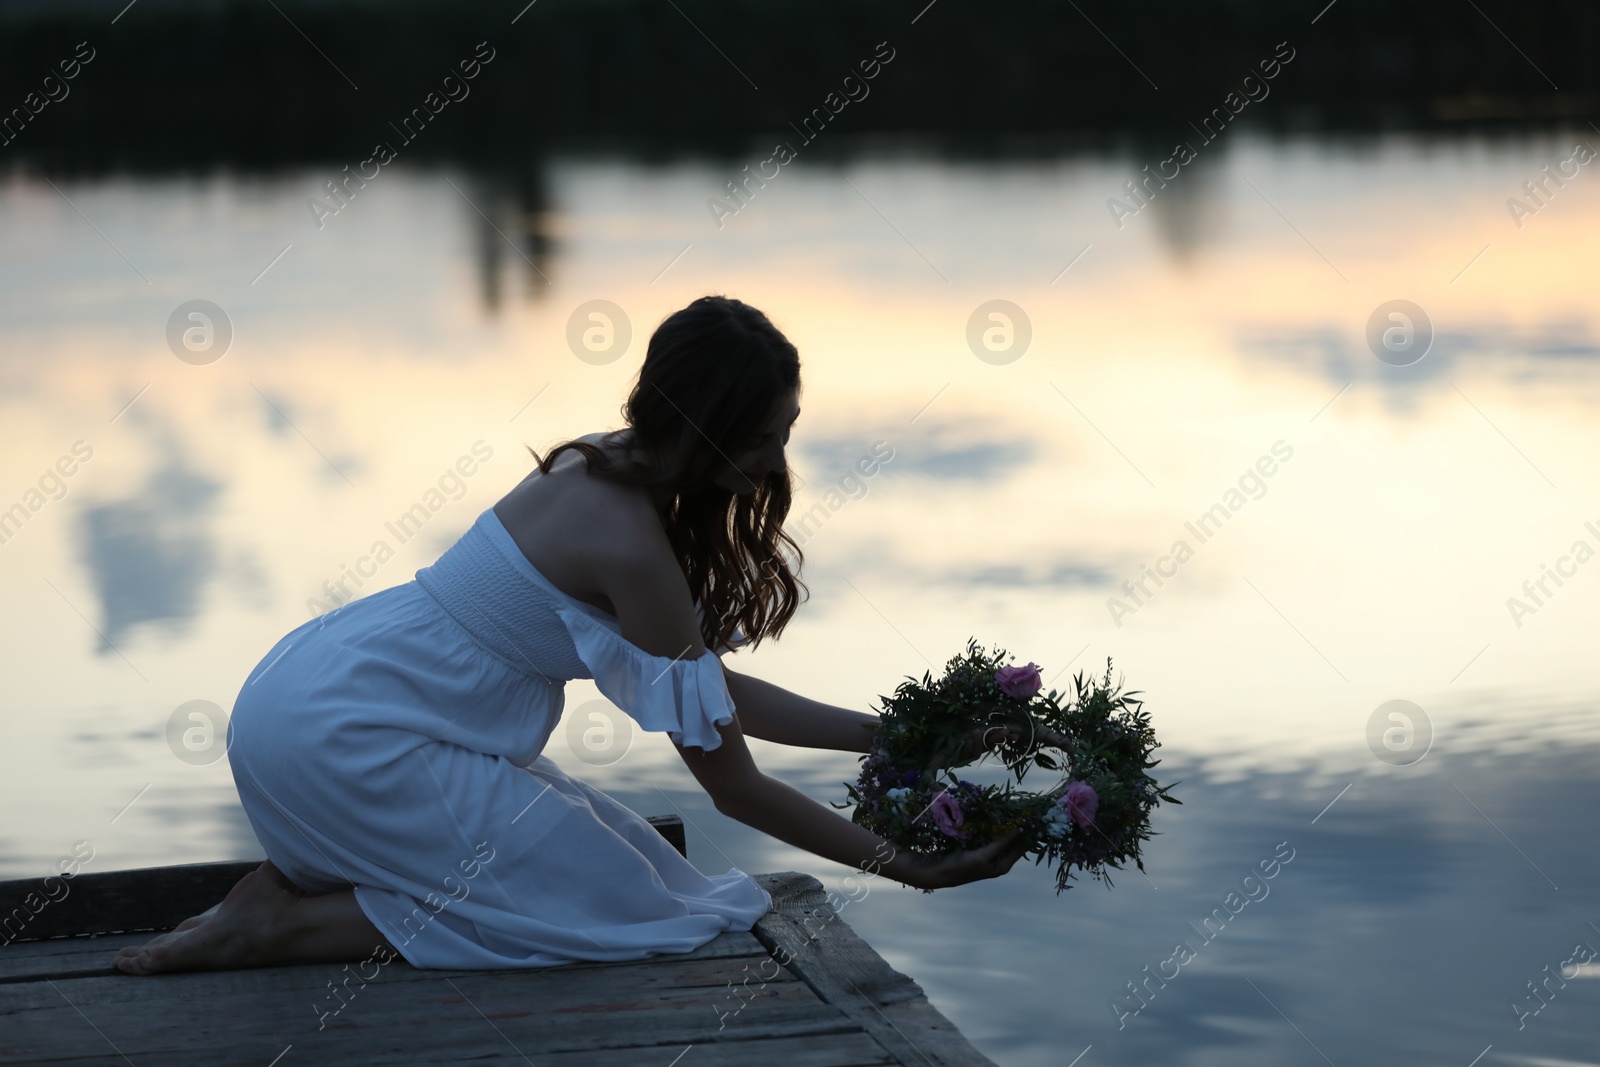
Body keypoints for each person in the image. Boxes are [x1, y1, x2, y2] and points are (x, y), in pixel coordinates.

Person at [113, 295, 1028, 977]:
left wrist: (895, 735)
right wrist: (910, 867)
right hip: (352, 741)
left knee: (640, 860)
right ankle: (276, 927)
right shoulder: (629, 545)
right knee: (619, 902)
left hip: (311, 696)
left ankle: (292, 892)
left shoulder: (599, 459)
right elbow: (736, 785)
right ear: (702, 426)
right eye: (759, 438)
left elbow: (699, 685)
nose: (773, 464)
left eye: (784, 434)